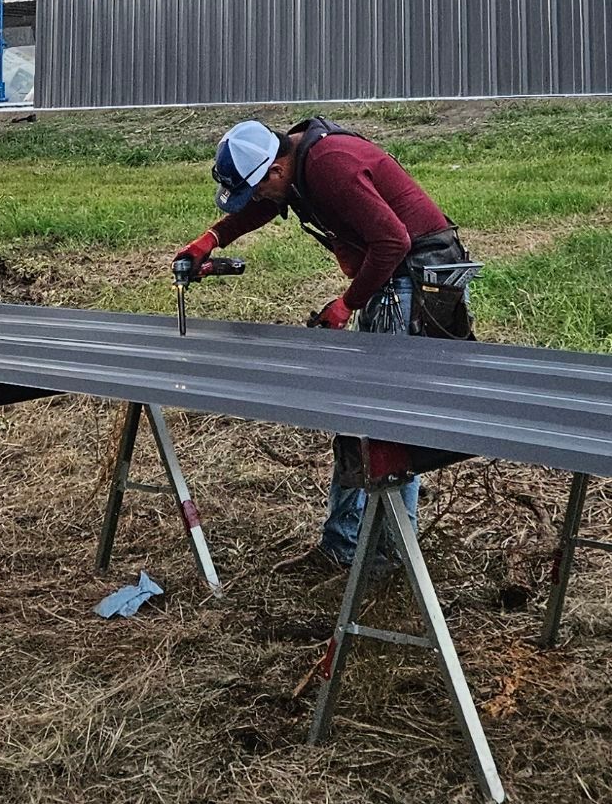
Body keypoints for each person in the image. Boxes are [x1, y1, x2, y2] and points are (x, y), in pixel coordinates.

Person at [173, 116, 476, 568]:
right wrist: (211, 238)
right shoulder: (294, 161)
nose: (256, 199)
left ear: (275, 169)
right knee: (365, 412)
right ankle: (349, 543)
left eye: (257, 188)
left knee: (387, 417)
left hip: (414, 277)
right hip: (396, 277)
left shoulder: (330, 165)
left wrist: (347, 304)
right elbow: (267, 205)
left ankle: (387, 551)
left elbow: (391, 241)